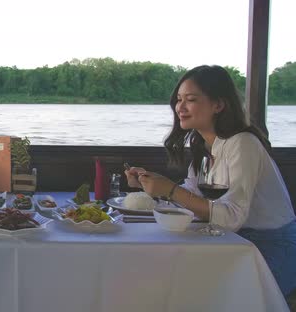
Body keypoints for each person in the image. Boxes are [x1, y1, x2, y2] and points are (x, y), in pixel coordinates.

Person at [124, 65, 296, 296]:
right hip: (231, 238)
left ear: (218, 105)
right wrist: (152, 188)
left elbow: (233, 216)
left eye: (191, 99)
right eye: (178, 99)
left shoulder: (243, 143)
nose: (180, 108)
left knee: (220, 295)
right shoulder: (202, 144)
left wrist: (171, 190)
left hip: (271, 242)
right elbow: (191, 194)